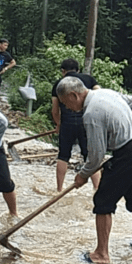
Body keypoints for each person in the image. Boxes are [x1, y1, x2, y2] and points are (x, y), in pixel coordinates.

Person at [56, 77, 132, 264]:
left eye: (65, 103)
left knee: (103, 200)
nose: (67, 108)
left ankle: (101, 254)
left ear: (73, 95)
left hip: (129, 153)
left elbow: (96, 156)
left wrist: (82, 176)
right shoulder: (105, 92)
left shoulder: (91, 113)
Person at [51, 58, 101, 193]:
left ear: (63, 71)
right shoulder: (89, 79)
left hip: (67, 123)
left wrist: (58, 125)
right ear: (78, 70)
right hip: (87, 122)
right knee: (90, 156)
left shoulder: (58, 84)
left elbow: (55, 110)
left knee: (63, 156)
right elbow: (100, 95)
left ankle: (59, 189)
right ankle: (97, 188)